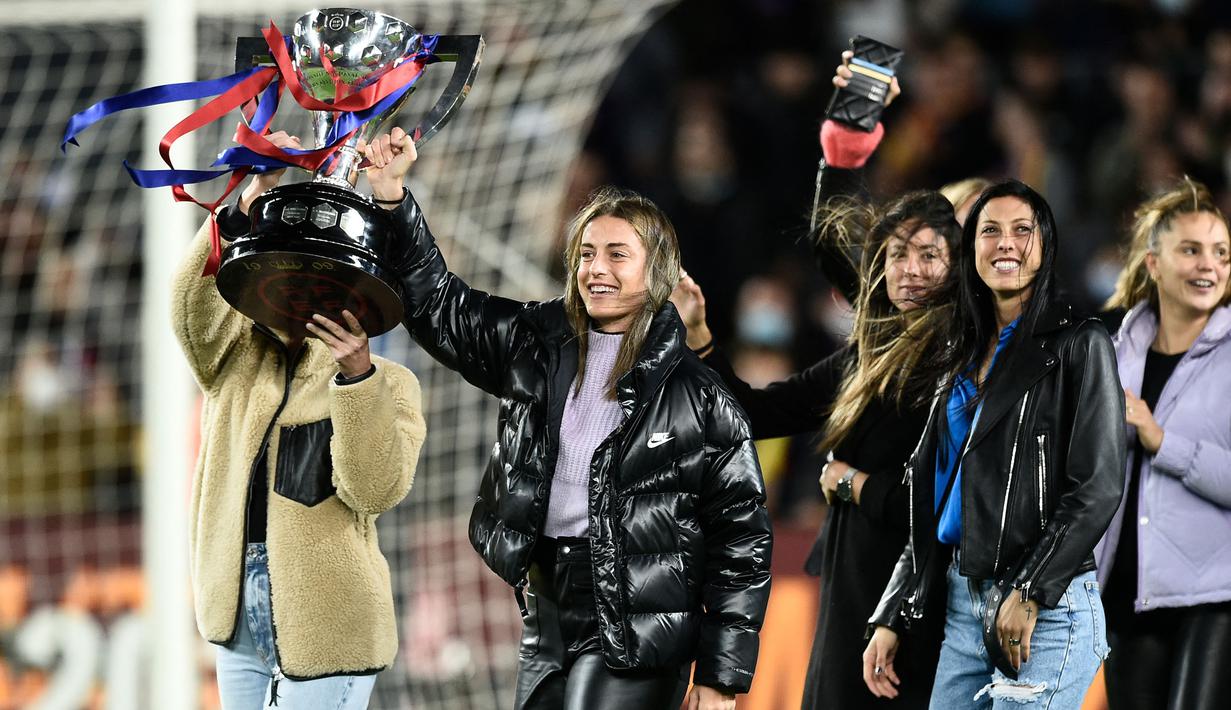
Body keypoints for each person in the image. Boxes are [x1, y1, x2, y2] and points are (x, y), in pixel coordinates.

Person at [362, 128, 772, 710]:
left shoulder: (699, 394)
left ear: (657, 270)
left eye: (617, 254)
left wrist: (722, 675)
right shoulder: (535, 341)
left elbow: (743, 539)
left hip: (638, 628)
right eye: (586, 253)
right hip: (545, 608)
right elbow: (439, 306)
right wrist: (391, 197)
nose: (595, 269)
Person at [670, 54, 957, 709]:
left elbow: (947, 498)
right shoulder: (865, 357)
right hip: (850, 583)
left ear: (957, 268)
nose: (910, 270)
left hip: (932, 596)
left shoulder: (968, 358)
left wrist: (855, 484)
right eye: (896, 254)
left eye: (929, 254)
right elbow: (750, 413)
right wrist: (700, 339)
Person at [170, 131, 427, 708]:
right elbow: (187, 306)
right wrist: (255, 190)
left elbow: (372, 489)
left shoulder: (391, 383)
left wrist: (356, 378)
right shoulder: (232, 361)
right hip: (235, 621)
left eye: (317, 273)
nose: (299, 285)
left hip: (331, 627)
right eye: (286, 269)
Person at [863, 180, 1126, 708]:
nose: (1006, 242)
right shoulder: (958, 354)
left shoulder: (1081, 342)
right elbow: (937, 496)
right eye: (989, 230)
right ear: (972, 249)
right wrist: (893, 610)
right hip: (966, 606)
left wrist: (1030, 590)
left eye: (1022, 230)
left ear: (1046, 246)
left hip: (1047, 610)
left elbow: (1097, 486)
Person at [1096, 177, 1231, 710]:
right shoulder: (1113, 351)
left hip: (1215, 599)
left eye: (1221, 252)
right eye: (1191, 250)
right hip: (1125, 594)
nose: (1209, 265)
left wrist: (1161, 441)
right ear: (1153, 263)